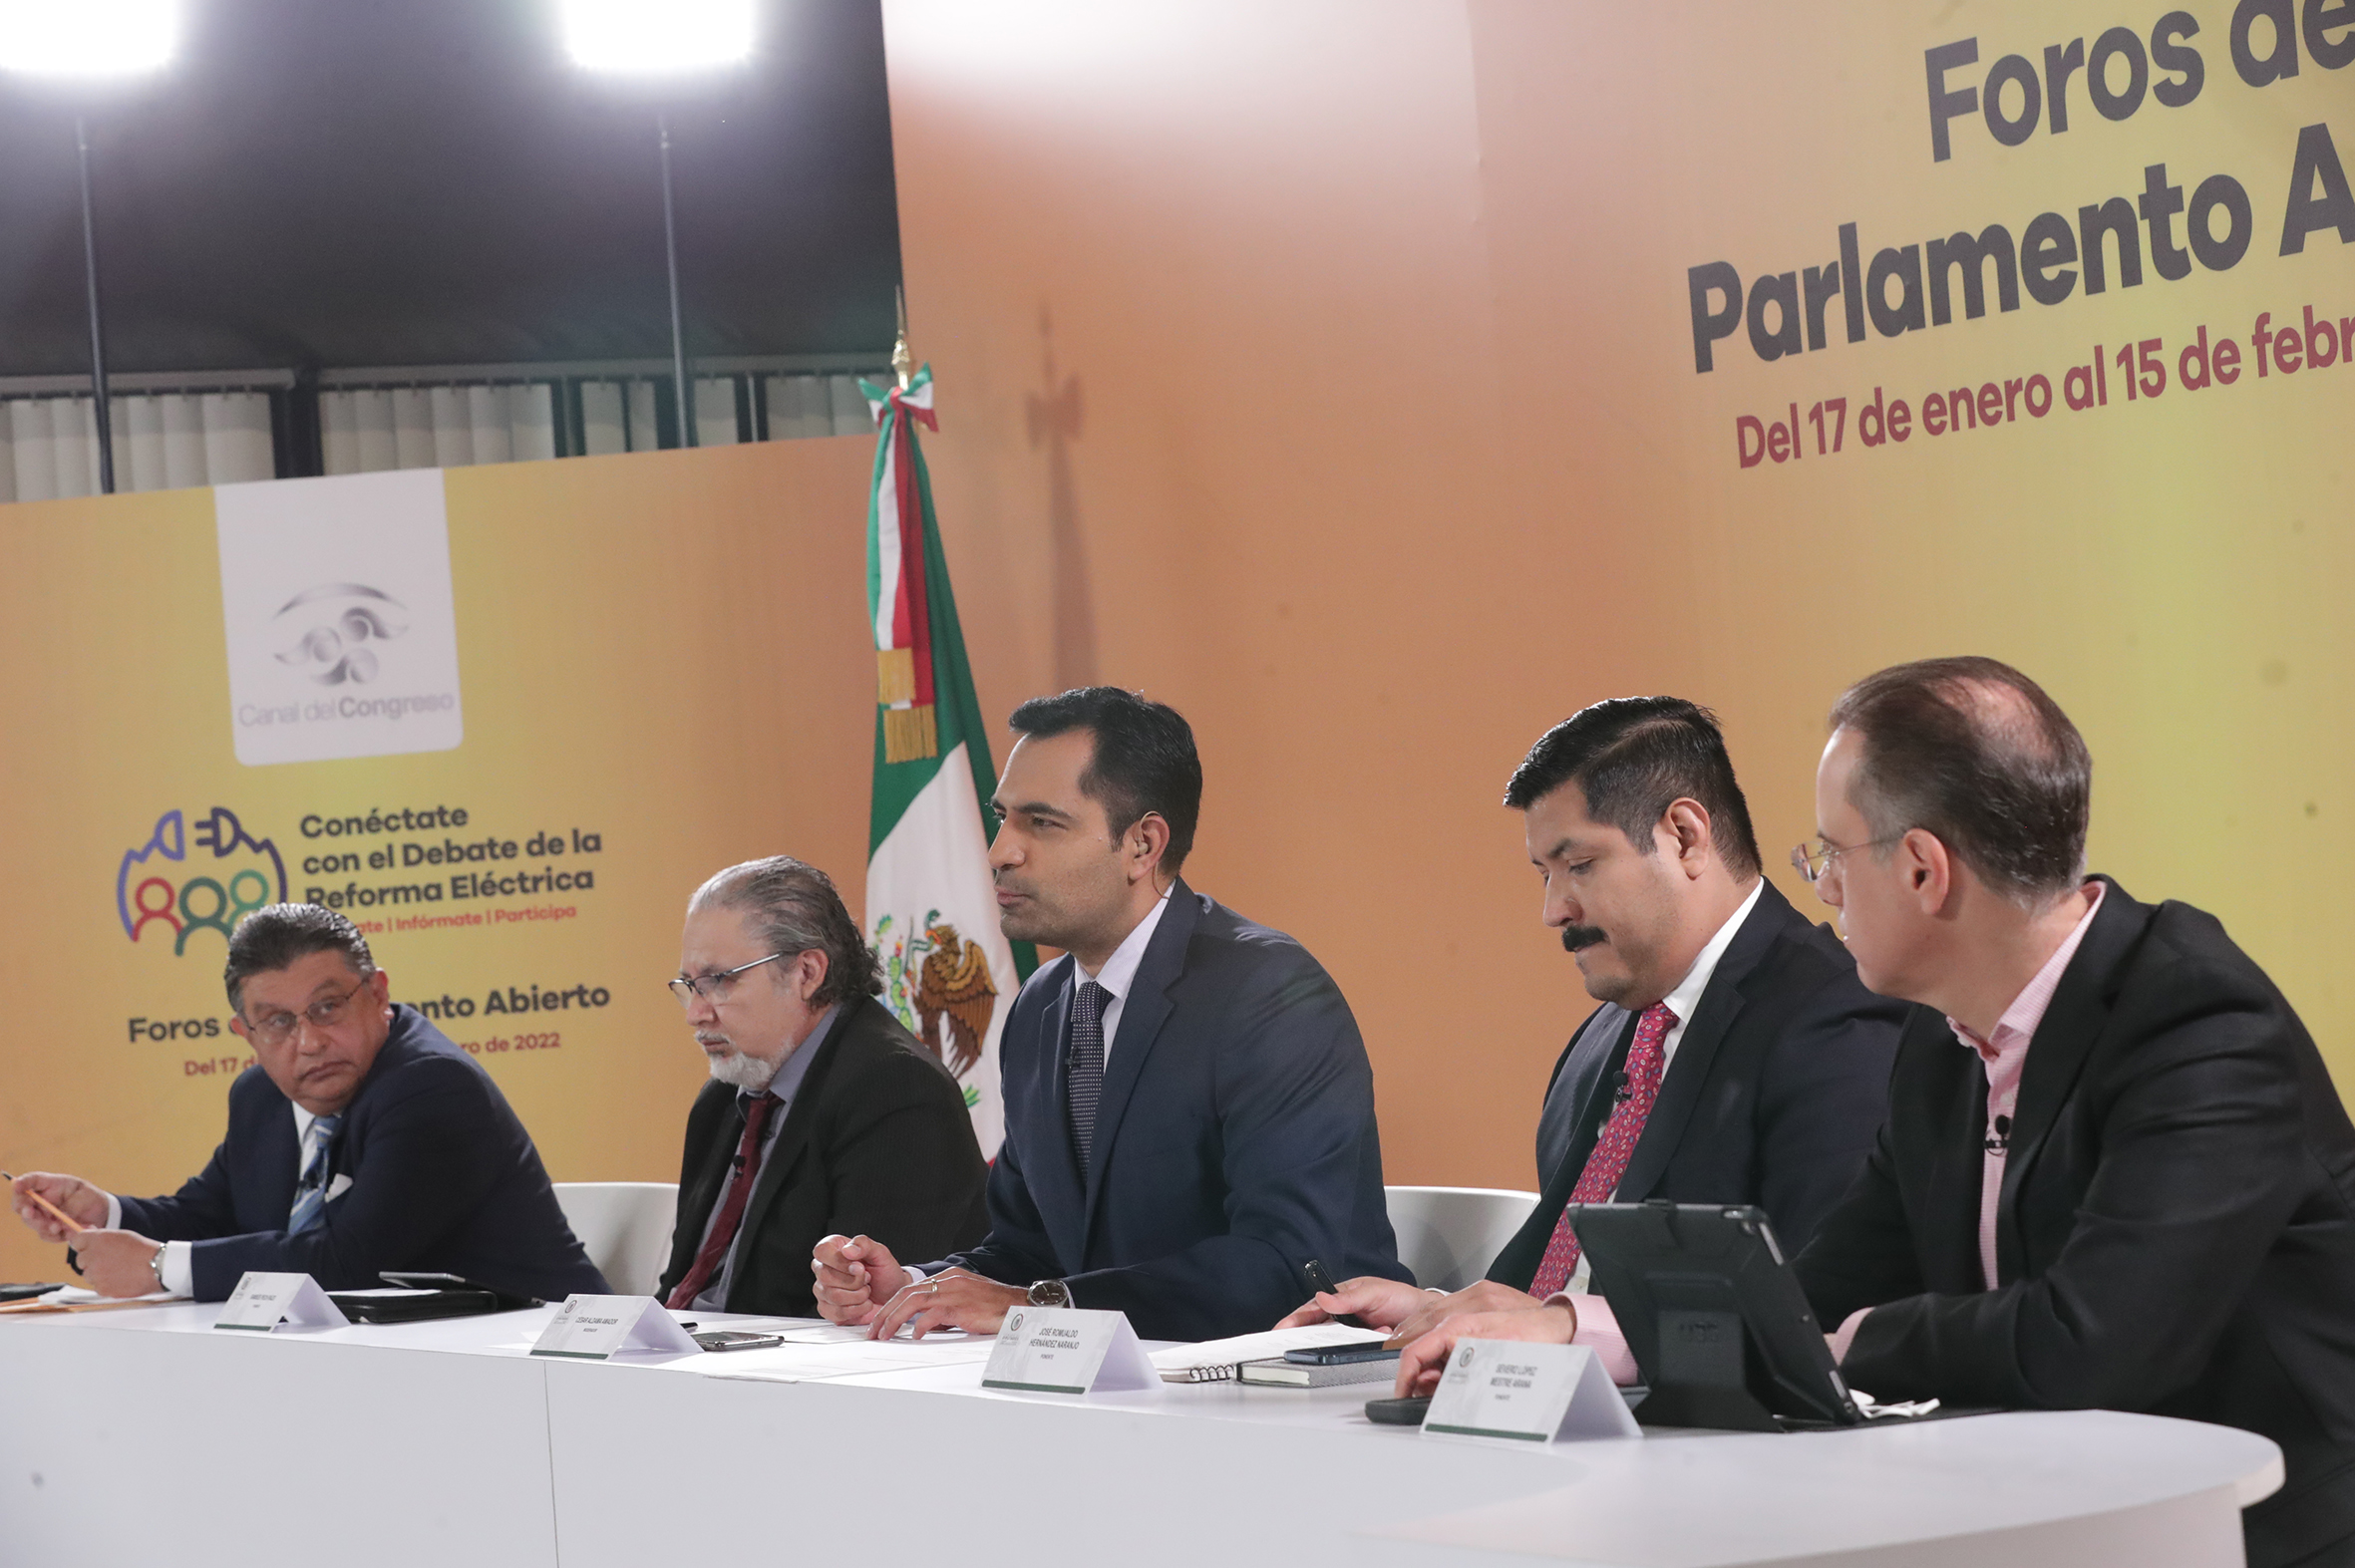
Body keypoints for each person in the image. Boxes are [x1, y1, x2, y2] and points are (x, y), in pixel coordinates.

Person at [1779, 656, 2355, 1568]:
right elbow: (1824, 1282)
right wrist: (1596, 1330)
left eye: (1830, 853)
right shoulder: (1941, 1037)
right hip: (2076, 1516)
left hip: (2273, 1536)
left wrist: (1858, 1344)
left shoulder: (2200, 1020)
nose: (1823, 888)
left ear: (1924, 869)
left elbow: (2093, 1344)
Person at [1288, 697, 1903, 1380]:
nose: (1554, 910)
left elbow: (1811, 1315)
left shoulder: (1833, 1024)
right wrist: (1435, 1311)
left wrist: (1559, 1330)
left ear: (1685, 837)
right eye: (1544, 874)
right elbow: (1563, 1293)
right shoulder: (1604, 1040)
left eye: (1579, 864)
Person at [812, 687, 1407, 1342]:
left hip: (1289, 1377)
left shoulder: (1270, 994)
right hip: (1109, 1376)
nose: (1000, 851)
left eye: (1042, 823)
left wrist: (1044, 1305)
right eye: (1002, 817)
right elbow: (1027, 1249)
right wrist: (914, 1286)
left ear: (1142, 845)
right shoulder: (1040, 1004)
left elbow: (1288, 1266)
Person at [8, 904, 606, 1303]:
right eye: (278, 1021)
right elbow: (210, 1216)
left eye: (327, 1007)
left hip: (544, 1361)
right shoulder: (260, 1097)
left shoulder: (432, 1086)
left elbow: (354, 1261)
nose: (310, 1041)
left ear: (378, 994)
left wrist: (161, 1267)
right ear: (246, 1034)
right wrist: (106, 1216)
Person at [656, 856, 987, 1316]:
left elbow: (867, 1314)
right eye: (690, 985)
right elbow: (678, 1288)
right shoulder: (723, 1099)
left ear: (807, 973)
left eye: (719, 981)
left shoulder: (896, 1091)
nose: (696, 1013)